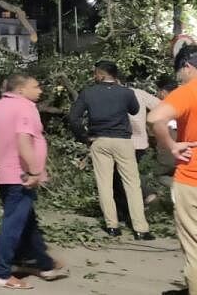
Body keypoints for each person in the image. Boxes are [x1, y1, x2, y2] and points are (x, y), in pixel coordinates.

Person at [0, 73, 67, 289]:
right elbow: (23, 141)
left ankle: (43, 263)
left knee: (28, 222)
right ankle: (1, 273)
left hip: (4, 173)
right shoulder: (25, 107)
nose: (40, 90)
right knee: (13, 224)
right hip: (19, 174)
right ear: (21, 90)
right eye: (36, 86)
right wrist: (35, 170)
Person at [69, 60, 152, 239]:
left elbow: (73, 118)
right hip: (123, 141)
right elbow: (135, 109)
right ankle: (141, 229)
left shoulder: (88, 93)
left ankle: (112, 226)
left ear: (100, 74)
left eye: (95, 73)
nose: (94, 76)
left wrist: (84, 137)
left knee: (104, 185)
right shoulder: (127, 93)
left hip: (99, 141)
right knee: (132, 184)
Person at [148, 46, 197, 294]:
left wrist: (172, 145)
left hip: (192, 180)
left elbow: (155, 118)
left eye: (180, 71)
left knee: (194, 248)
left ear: (188, 66)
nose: (179, 76)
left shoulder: (188, 91)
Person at [129, 83, 162, 204]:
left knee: (125, 174)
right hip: (141, 141)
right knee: (130, 172)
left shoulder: (112, 95)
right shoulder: (139, 93)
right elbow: (161, 106)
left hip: (123, 140)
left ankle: (149, 195)